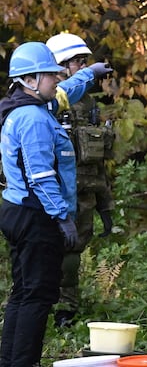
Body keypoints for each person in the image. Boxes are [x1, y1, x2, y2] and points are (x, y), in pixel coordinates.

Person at [0, 42, 79, 366]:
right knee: (39, 295)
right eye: (50, 75)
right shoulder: (32, 118)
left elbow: (67, 90)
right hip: (36, 215)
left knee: (24, 292)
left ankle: (9, 361)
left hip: (19, 209)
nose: (57, 79)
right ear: (30, 80)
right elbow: (41, 175)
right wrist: (62, 217)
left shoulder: (23, 110)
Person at [46, 32, 116, 328]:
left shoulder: (87, 105)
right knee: (46, 255)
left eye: (85, 61)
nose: (83, 67)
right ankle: (38, 306)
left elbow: (96, 159)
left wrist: (106, 205)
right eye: (77, 61)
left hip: (84, 194)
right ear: (60, 66)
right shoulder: (49, 101)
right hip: (52, 195)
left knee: (72, 257)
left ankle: (66, 311)